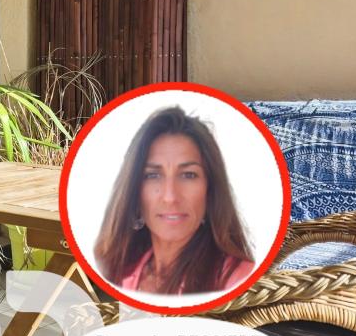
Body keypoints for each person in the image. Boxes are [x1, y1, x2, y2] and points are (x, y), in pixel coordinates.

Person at [93, 106, 256, 295]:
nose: (170, 197)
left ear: (210, 189)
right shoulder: (115, 271)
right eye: (153, 175)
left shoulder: (238, 280)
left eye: (188, 175)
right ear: (134, 190)